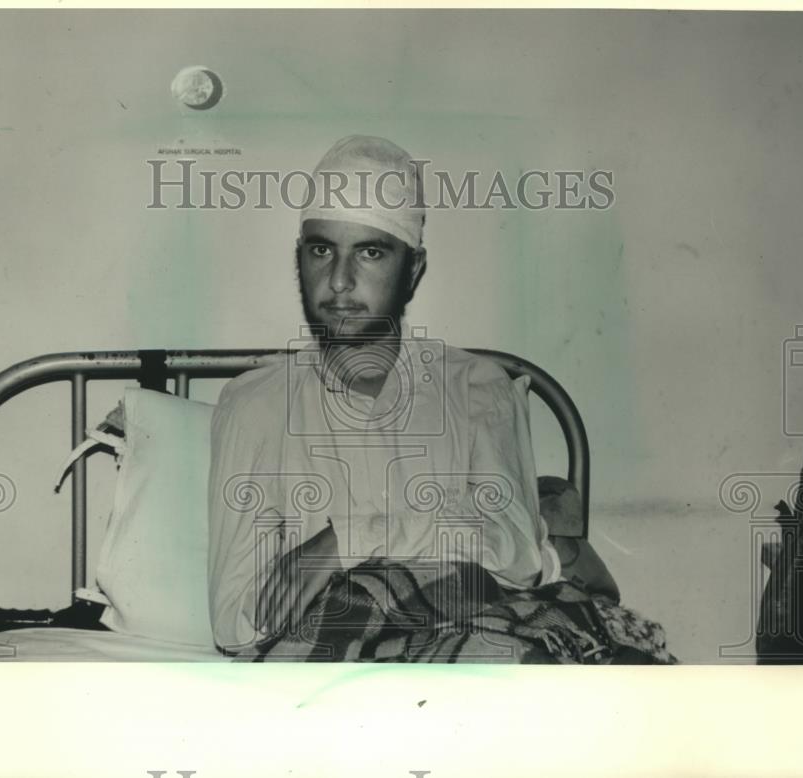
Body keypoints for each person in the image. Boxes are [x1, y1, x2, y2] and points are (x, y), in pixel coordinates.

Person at [207, 135, 561, 652]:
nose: (341, 281)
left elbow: (519, 555)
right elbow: (234, 623)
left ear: (413, 269)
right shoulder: (253, 405)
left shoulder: (477, 388)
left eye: (370, 253)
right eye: (322, 250)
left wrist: (347, 539)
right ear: (299, 259)